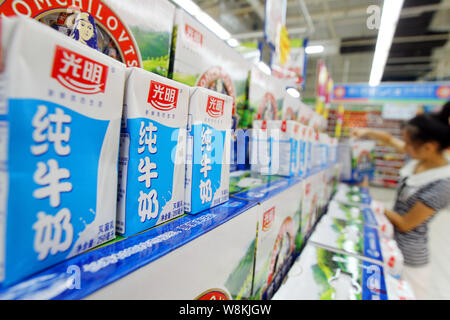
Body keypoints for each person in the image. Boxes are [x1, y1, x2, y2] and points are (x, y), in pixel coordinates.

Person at [351, 101, 450, 300]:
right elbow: (388, 139)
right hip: (391, 244)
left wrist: (371, 202)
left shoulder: (442, 183)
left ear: (429, 147)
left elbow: (406, 223)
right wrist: (365, 132)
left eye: (407, 143)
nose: (403, 147)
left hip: (409, 260)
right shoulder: (421, 160)